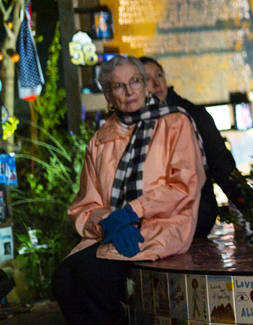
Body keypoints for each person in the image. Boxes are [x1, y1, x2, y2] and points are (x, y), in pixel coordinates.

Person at [53, 55, 205, 325]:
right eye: (118, 86)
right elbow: (84, 206)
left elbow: (183, 186)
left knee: (90, 275)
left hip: (162, 224)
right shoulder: (100, 141)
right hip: (113, 231)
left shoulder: (175, 123)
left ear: (145, 86)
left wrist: (131, 212)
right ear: (109, 96)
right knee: (63, 278)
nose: (129, 90)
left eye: (134, 81)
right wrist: (109, 222)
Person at [140, 56, 252, 237]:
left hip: (195, 213)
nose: (156, 83)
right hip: (151, 218)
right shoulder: (134, 122)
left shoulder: (192, 115)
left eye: (159, 75)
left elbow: (222, 166)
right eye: (146, 79)